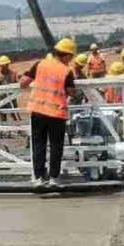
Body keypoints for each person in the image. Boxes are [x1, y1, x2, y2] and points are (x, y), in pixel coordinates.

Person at [20, 38, 77, 189]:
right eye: (71, 56)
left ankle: (39, 178)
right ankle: (53, 178)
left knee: (38, 145)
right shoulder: (66, 71)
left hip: (38, 110)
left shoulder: (40, 64)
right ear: (67, 55)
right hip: (56, 112)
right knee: (56, 146)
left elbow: (23, 83)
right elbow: (71, 91)